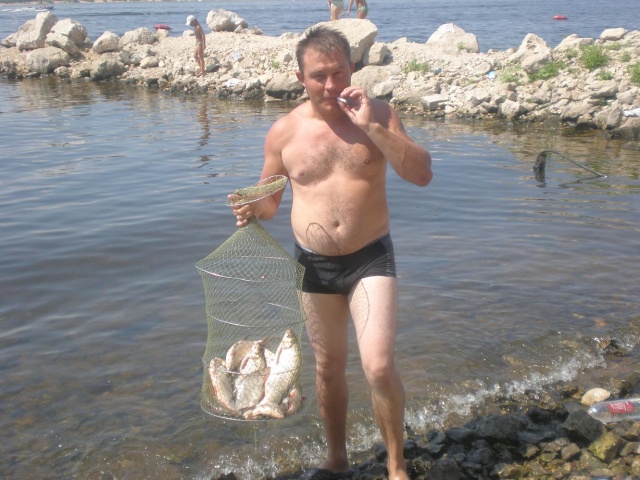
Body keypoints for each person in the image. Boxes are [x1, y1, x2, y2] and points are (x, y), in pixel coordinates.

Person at [229, 26, 432, 480]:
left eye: (338, 72)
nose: (330, 85)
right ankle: (336, 459)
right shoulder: (283, 133)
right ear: (300, 78)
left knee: (378, 365)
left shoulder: (380, 114)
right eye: (318, 75)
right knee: (327, 368)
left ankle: (396, 467)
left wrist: (372, 127)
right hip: (313, 265)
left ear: (353, 69)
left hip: (370, 258)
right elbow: (269, 203)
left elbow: (421, 175)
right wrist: (250, 208)